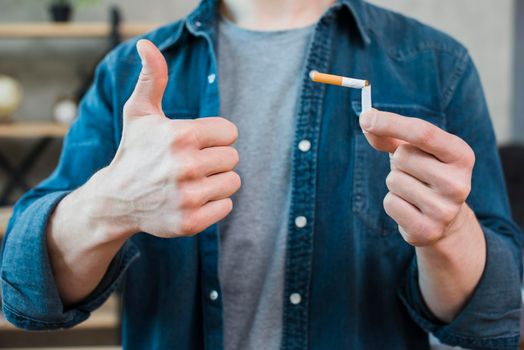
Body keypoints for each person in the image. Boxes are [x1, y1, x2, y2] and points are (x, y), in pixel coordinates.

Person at [1, 0, 522, 349]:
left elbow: (493, 319)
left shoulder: (436, 65)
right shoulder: (128, 73)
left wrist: (449, 234)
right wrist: (110, 205)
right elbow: (25, 293)